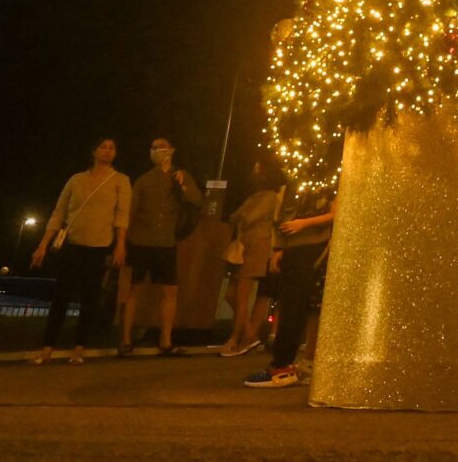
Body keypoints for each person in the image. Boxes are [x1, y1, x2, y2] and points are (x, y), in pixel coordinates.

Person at [31, 138, 131, 365]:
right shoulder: (76, 179)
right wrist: (43, 244)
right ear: (94, 151)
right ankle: (47, 349)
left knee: (90, 298)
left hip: (99, 246)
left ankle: (79, 349)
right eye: (103, 147)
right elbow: (59, 213)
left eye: (112, 147)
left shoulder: (121, 181)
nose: (107, 151)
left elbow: (122, 216)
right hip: (72, 244)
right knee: (61, 297)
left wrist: (120, 245)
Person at [243, 183, 336, 390]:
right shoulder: (295, 183)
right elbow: (282, 216)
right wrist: (280, 248)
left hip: (313, 246)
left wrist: (304, 224)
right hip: (295, 245)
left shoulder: (327, 179)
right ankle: (284, 364)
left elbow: (337, 212)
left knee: (296, 304)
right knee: (291, 304)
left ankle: (282, 367)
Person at [118, 136, 203, 357]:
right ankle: (125, 339)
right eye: (153, 148)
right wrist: (122, 244)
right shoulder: (143, 181)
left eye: (161, 148)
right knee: (133, 289)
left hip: (166, 242)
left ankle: (166, 340)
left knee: (170, 291)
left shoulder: (180, 177)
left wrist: (183, 184)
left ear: (171, 150)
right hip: (140, 241)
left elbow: (197, 201)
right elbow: (131, 213)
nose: (156, 151)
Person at [216, 156, 284, 359]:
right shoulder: (257, 195)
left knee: (242, 294)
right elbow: (235, 216)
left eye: (258, 168)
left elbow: (244, 216)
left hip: (258, 245)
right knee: (232, 294)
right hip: (246, 245)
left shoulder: (270, 196)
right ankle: (249, 333)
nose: (254, 173)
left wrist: (241, 216)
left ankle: (236, 338)